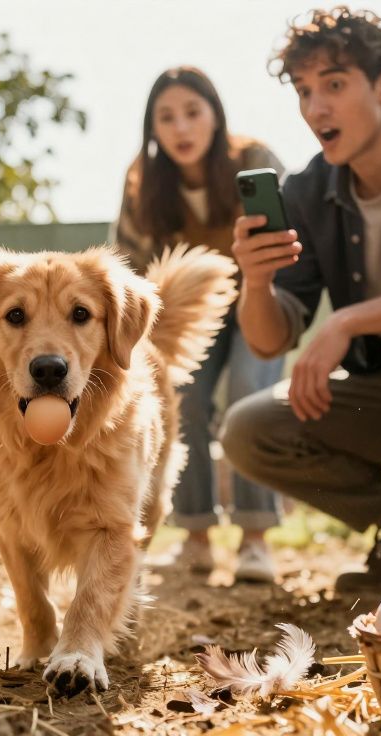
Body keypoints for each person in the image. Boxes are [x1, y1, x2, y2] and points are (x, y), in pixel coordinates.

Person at [219, 7, 381, 594]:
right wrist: (255, 282)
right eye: (305, 91)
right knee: (247, 430)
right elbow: (268, 337)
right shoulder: (307, 191)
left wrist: (346, 323)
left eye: (334, 85)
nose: (315, 108)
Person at [111, 66, 287, 583]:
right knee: (179, 405)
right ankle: (196, 537)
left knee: (248, 399)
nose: (181, 128)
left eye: (192, 112)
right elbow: (127, 264)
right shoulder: (142, 180)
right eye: (166, 117)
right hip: (187, 317)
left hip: (257, 301)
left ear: (215, 115)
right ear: (153, 127)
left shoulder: (254, 159)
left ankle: (255, 537)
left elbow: (292, 236)